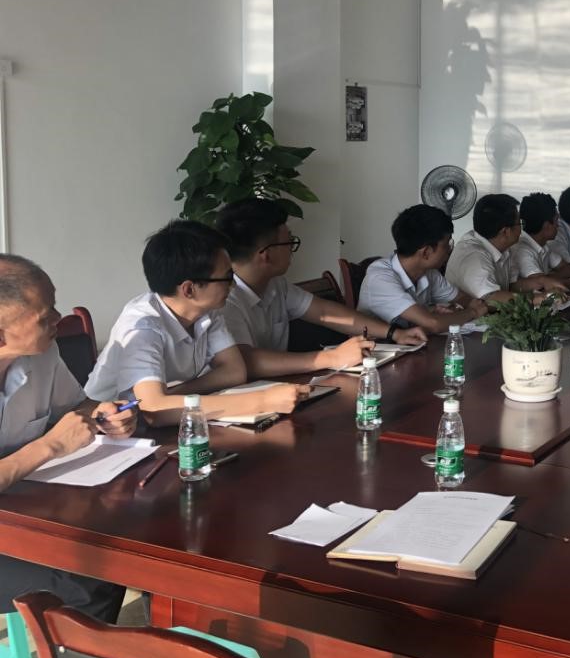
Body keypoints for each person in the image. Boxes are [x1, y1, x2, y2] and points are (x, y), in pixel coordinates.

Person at [0, 255, 136, 621]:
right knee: (88, 579)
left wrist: (103, 414)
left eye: (55, 306)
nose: (58, 319)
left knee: (123, 543)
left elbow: (76, 407)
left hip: (21, 510)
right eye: (45, 316)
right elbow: (53, 441)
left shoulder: (41, 354)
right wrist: (49, 446)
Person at [85, 221, 306, 425]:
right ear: (189, 289)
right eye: (227, 277)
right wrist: (262, 401)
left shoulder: (208, 311)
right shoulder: (142, 326)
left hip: (169, 419)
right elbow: (155, 411)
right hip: (110, 428)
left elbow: (234, 371)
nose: (233, 286)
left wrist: (174, 395)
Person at [215, 199, 426, 377]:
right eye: (289, 242)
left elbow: (325, 313)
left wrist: (394, 333)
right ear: (266, 255)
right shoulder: (224, 299)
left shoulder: (275, 285)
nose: (292, 250)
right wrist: (331, 358)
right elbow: (246, 360)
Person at [358, 204, 488, 333]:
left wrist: (454, 308)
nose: (449, 249)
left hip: (413, 343)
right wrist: (472, 312)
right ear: (426, 252)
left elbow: (462, 299)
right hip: (377, 345)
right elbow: (433, 324)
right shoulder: (380, 278)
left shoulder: (429, 273)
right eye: (446, 244)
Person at [445, 194, 568, 303]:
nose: (522, 229)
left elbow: (513, 285)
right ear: (505, 232)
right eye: (519, 224)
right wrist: (538, 298)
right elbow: (491, 299)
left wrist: (542, 281)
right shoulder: (475, 256)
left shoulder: (503, 248)